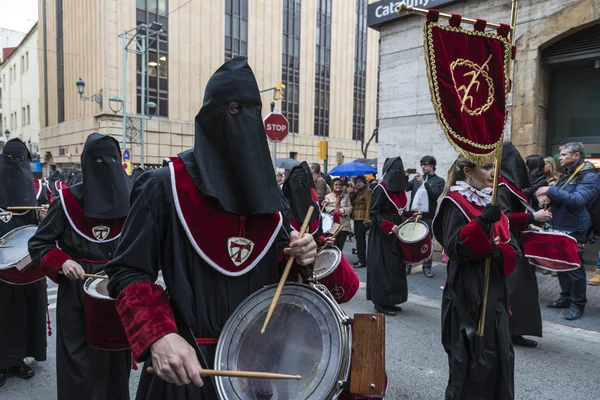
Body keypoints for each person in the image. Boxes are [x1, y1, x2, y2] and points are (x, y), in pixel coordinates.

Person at [103, 57, 317, 400]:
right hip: (187, 368)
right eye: (234, 109)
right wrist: (158, 335)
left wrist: (303, 255)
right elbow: (127, 272)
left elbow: (281, 272)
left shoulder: (270, 195)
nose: (244, 120)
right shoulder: (164, 186)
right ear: (210, 117)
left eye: (251, 111)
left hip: (258, 366)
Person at [28, 133, 133, 399]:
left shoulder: (132, 199)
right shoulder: (66, 201)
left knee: (116, 362)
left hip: (116, 291)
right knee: (79, 363)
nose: (105, 164)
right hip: (76, 293)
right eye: (99, 159)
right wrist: (61, 261)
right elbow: (39, 245)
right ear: (87, 162)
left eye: (111, 159)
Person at [433, 157, 518, 400]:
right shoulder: (455, 203)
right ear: (468, 171)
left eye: (494, 167)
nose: (493, 173)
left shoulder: (492, 201)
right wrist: (481, 223)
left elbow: (511, 247)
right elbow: (454, 248)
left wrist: (501, 250)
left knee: (500, 354)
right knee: (468, 360)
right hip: (467, 291)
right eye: (487, 167)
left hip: (495, 290)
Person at [0, 139, 48, 388]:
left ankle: (18, 360)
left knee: (26, 313)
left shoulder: (39, 189)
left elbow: (50, 225)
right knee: (3, 315)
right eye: (11, 160)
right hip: (1, 267)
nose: (17, 165)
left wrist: (45, 216)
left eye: (22, 160)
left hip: (30, 265)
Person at [536, 142, 600, 320]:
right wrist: (542, 195)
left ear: (576, 156)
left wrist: (550, 190)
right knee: (561, 264)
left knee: (574, 267)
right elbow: (555, 192)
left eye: (564, 155)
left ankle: (577, 304)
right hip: (561, 225)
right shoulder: (570, 173)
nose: (560, 158)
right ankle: (565, 297)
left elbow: (578, 199)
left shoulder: (589, 175)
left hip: (575, 228)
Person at [498, 143, 551, 348]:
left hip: (517, 239)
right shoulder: (502, 185)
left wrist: (529, 222)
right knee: (514, 289)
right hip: (508, 242)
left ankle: (517, 330)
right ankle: (509, 330)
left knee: (522, 290)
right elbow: (502, 216)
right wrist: (531, 216)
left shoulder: (508, 185)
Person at [367, 157, 408, 316]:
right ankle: (381, 303)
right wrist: (388, 226)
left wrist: (412, 215)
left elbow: (399, 212)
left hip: (395, 235)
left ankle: (392, 300)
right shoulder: (380, 189)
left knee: (394, 268)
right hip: (382, 235)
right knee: (382, 268)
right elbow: (374, 212)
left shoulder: (401, 191)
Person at [406, 155, 445, 278]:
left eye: (426, 164)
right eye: (422, 164)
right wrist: (404, 176)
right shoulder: (416, 179)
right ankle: (408, 266)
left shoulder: (439, 181)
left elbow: (435, 195)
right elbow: (405, 187)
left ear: (432, 165)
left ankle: (427, 267)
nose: (424, 167)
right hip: (414, 215)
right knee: (411, 241)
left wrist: (424, 183)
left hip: (428, 216)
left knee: (427, 242)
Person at [324, 178, 353, 251]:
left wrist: (343, 210)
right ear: (332, 186)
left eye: (340, 185)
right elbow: (326, 208)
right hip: (332, 224)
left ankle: (340, 260)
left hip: (343, 225)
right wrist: (335, 211)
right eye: (336, 185)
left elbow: (350, 208)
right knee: (332, 245)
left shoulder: (346, 196)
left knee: (340, 246)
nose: (338, 186)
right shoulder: (328, 196)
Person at [350, 175, 372, 269]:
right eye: (356, 182)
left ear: (364, 182)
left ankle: (362, 260)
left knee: (361, 241)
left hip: (362, 218)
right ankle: (360, 259)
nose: (358, 184)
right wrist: (352, 192)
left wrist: (367, 219)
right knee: (358, 240)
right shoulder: (357, 191)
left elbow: (369, 205)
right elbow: (352, 201)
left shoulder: (368, 191)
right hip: (356, 217)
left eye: (359, 182)